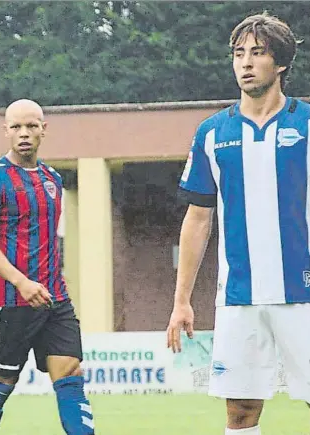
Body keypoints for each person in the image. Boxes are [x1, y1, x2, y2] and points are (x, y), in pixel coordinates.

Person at [166, 12, 309, 435]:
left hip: (303, 293)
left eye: (258, 53)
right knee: (241, 414)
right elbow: (198, 218)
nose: (245, 63)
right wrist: (182, 300)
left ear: (280, 64)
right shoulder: (212, 132)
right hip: (239, 297)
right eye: (239, 54)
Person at [0, 99, 95, 435]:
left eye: (31, 126)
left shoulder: (52, 178)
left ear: (43, 129)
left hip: (54, 298)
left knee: (70, 373)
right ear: (6, 131)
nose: (24, 133)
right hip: (10, 300)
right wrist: (22, 282)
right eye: (16, 127)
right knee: (1, 383)